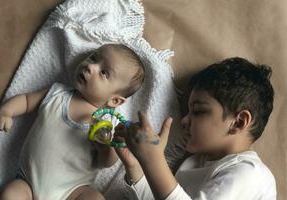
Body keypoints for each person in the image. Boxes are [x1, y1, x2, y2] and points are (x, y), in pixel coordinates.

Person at [0, 44, 145, 200]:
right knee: (9, 195)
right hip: (28, 182)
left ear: (115, 100)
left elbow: (106, 162)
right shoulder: (57, 94)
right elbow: (26, 100)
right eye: (93, 57)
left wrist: (104, 148)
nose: (91, 66)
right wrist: (6, 112)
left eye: (104, 72)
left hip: (72, 191)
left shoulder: (107, 124)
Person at [114, 57, 276, 200]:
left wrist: (153, 159)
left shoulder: (250, 174)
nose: (184, 120)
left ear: (239, 122)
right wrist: (134, 165)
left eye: (198, 111)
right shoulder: (195, 162)